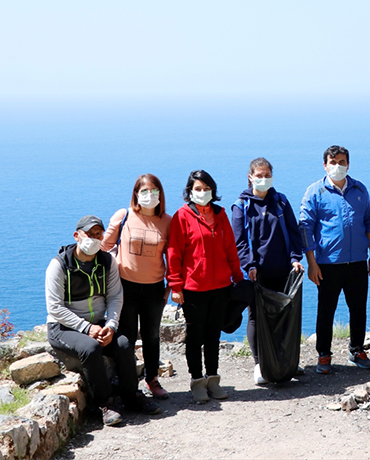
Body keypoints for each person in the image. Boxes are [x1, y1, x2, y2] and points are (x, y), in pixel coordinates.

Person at [46, 215, 160, 426]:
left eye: (99, 235)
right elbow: (54, 307)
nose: (95, 239)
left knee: (124, 343)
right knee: (90, 348)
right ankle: (104, 404)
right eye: (90, 234)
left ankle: (131, 396)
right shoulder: (59, 265)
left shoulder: (107, 261)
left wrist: (111, 325)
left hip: (99, 324)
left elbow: (116, 296)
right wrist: (86, 328)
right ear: (77, 235)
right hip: (63, 328)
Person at [299, 145, 370, 374]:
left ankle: (357, 350)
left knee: (358, 309)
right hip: (327, 264)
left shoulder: (359, 188)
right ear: (325, 165)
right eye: (333, 162)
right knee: (326, 310)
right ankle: (324, 355)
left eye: (342, 161)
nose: (338, 166)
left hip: (357, 263)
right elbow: (305, 227)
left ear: (348, 164)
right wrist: (311, 263)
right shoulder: (315, 191)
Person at [167, 170, 244, 403]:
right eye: (197, 189)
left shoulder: (221, 215)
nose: (202, 193)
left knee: (213, 335)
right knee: (195, 337)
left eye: (206, 188)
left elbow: (230, 248)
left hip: (220, 286)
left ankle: (213, 380)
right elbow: (174, 253)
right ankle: (197, 382)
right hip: (193, 289)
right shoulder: (181, 216)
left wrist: (237, 277)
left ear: (213, 190)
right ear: (190, 192)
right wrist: (175, 286)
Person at [231, 157, 304, 385]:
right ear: (250, 177)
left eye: (267, 175)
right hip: (257, 272)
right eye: (259, 175)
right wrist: (249, 265)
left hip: (283, 269)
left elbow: (294, 231)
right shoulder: (241, 206)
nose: (263, 179)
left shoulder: (280, 202)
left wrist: (295, 258)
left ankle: (284, 361)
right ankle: (259, 364)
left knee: (283, 316)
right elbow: (239, 241)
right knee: (256, 317)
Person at [101, 174, 172, 398]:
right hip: (125, 287)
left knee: (152, 336)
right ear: (136, 194)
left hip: (154, 288)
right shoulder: (124, 216)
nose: (149, 195)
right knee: (128, 337)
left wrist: (171, 286)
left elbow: (174, 256)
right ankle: (128, 384)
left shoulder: (168, 222)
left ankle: (152, 380)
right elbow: (104, 247)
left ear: (160, 194)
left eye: (154, 191)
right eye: (144, 191)